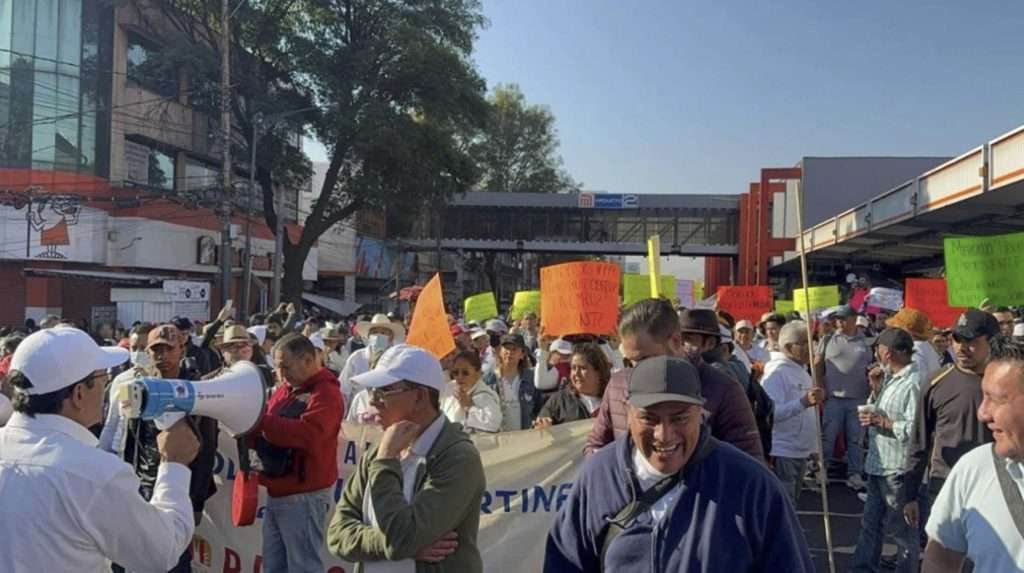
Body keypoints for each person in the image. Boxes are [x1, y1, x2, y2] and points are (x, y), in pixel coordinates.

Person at [545, 355, 813, 572]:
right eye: (649, 418)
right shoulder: (598, 477)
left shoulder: (751, 485)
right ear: (628, 412)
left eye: (680, 419)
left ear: (701, 413)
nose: (664, 434)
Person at [0, 327, 200, 572]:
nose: (106, 387)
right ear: (79, 394)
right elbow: (162, 550)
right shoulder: (93, 473)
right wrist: (174, 465)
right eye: (101, 379)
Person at [328, 344, 486, 572]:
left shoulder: (458, 458)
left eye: (383, 392)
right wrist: (398, 546)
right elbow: (337, 535)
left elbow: (402, 537)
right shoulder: (380, 450)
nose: (373, 402)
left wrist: (385, 463)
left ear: (420, 397)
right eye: (372, 392)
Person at [586, 298, 765, 463]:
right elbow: (595, 446)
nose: (637, 370)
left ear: (676, 340)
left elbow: (749, 467)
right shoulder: (618, 384)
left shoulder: (723, 389)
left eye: (645, 360)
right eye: (630, 361)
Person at [102, 323, 219, 572]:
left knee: (173, 557)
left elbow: (206, 451)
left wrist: (196, 502)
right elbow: (131, 442)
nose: (162, 356)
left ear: (182, 349)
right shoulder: (138, 388)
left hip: (179, 487)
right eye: (156, 350)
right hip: (140, 486)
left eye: (168, 349)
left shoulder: (198, 393)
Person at [922, 335, 1024, 572]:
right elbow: (940, 559)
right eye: (983, 396)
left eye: (996, 399)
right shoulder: (975, 467)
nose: (982, 413)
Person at [901, 309, 997, 537]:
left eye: (971, 341)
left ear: (991, 342)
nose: (962, 348)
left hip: (994, 486)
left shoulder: (1007, 383)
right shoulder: (936, 381)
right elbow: (919, 442)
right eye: (957, 339)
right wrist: (909, 495)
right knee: (944, 555)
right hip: (945, 485)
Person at [255, 333, 343, 573]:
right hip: (281, 493)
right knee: (275, 567)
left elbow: (308, 435)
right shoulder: (287, 389)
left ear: (307, 360)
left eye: (285, 366)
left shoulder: (326, 393)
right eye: (277, 367)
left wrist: (257, 421)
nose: (281, 374)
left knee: (303, 568)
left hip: (304, 496)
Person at [851, 328, 921, 573]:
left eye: (878, 348)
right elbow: (882, 409)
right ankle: (863, 567)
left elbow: (916, 429)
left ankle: (907, 569)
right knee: (870, 523)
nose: (876, 353)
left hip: (897, 468)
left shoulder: (912, 383)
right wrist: (877, 388)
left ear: (887, 352)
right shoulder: (891, 378)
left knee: (902, 530)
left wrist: (885, 423)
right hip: (878, 463)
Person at [762, 321, 823, 507]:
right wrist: (803, 402)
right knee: (783, 507)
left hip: (800, 450)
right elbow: (771, 413)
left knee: (792, 504)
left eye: (811, 341)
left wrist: (814, 446)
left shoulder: (803, 371)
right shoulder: (777, 372)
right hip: (783, 450)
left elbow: (808, 413)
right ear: (789, 347)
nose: (810, 348)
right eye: (804, 343)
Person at [816, 305, 873, 490]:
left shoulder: (866, 342)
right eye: (837, 319)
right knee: (828, 436)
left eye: (843, 319)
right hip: (834, 398)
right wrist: (819, 386)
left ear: (853, 319)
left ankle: (855, 473)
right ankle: (821, 469)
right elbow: (817, 365)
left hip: (858, 398)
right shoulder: (827, 339)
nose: (839, 322)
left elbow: (872, 367)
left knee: (856, 438)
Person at [534, 343, 610, 428]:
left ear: (598, 372)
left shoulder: (613, 400)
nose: (576, 374)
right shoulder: (559, 401)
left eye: (583, 368)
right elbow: (537, 430)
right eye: (573, 368)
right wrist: (541, 425)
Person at [340, 314, 406, 405]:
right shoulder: (356, 358)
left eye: (383, 333)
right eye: (375, 332)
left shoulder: (396, 359)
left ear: (390, 337)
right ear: (369, 336)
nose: (378, 336)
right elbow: (343, 390)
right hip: (359, 411)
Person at [482, 333, 541, 431]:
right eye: (507, 348)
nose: (509, 352)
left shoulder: (531, 377)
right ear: (500, 351)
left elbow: (539, 407)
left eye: (514, 349)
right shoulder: (489, 379)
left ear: (522, 354)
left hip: (526, 437)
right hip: (499, 438)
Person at [441, 350, 502, 433]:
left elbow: (494, 424)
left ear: (478, 373)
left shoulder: (485, 395)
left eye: (465, 372)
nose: (460, 376)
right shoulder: (449, 389)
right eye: (455, 372)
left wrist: (469, 406)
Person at [886, 307, 943, 384]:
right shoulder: (925, 347)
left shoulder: (915, 351)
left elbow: (916, 384)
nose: (894, 332)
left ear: (907, 331)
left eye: (897, 329)